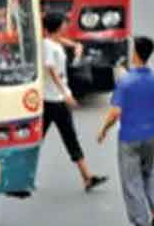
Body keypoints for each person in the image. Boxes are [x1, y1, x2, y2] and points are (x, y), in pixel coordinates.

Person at [99, 35, 154, 226]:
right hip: (150, 136)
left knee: (132, 181)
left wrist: (104, 129)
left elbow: (115, 112)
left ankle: (142, 225)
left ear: (135, 53)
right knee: (149, 171)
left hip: (129, 137)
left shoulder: (125, 81)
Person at [41, 12, 107, 192]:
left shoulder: (52, 42)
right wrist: (65, 93)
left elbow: (59, 41)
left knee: (68, 138)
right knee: (44, 139)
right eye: (63, 24)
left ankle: (87, 177)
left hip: (58, 99)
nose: (65, 26)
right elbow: (51, 69)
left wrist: (75, 45)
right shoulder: (47, 46)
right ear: (57, 27)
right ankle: (87, 177)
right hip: (52, 100)